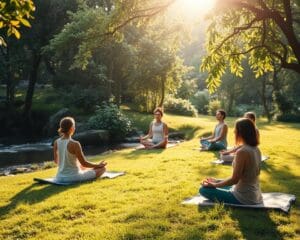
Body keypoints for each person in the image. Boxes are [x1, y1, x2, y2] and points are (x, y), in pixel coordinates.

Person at [199, 118, 263, 205]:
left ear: (241, 132)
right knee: (215, 184)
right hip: (255, 194)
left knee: (203, 189)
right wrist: (217, 181)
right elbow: (242, 178)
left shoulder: (242, 152)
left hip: (244, 197)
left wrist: (214, 185)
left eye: (236, 129)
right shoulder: (256, 149)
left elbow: (234, 180)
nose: (234, 132)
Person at [53, 117, 107, 183]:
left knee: (81, 167)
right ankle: (96, 168)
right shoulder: (75, 144)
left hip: (59, 177)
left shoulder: (56, 142)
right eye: (74, 126)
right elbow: (84, 163)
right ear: (72, 128)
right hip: (73, 177)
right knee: (102, 169)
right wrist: (98, 165)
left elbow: (56, 161)